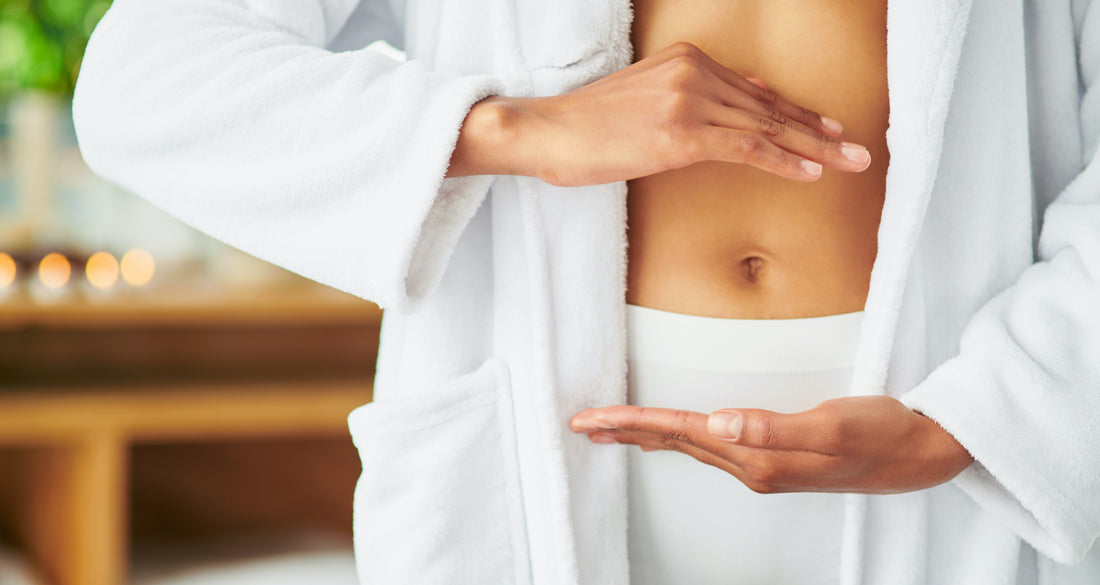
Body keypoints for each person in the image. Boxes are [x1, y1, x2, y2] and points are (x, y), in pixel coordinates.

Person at [72, 0, 1100, 584]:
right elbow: (144, 76)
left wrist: (969, 428)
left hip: (942, 469)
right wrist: (516, 128)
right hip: (551, 453)